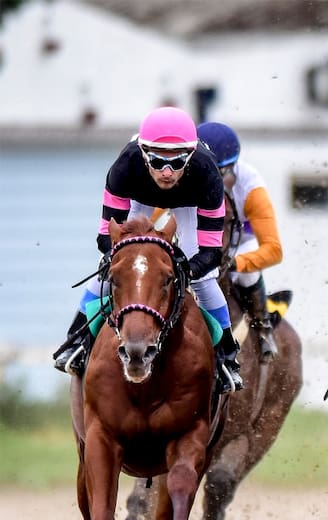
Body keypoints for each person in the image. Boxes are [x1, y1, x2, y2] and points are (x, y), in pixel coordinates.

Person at [52, 106, 242, 393]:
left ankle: (227, 356)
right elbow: (105, 238)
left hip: (190, 205)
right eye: (157, 160)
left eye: (177, 162)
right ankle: (76, 341)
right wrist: (126, 257)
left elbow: (211, 252)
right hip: (139, 200)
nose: (167, 172)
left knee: (204, 281)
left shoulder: (207, 173)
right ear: (143, 154)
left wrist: (184, 269)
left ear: (191, 156)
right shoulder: (124, 167)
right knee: (112, 271)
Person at [196, 121, 283, 361]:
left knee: (248, 273)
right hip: (196, 236)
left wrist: (235, 263)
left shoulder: (251, 187)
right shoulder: (182, 175)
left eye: (217, 172)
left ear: (232, 167)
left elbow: (273, 250)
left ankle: (263, 328)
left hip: (238, 242)